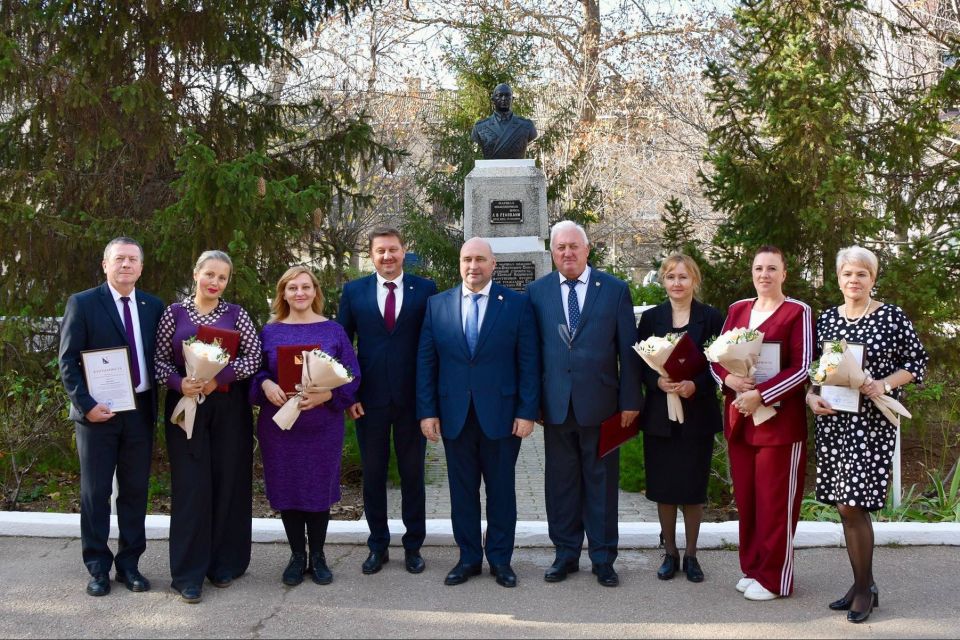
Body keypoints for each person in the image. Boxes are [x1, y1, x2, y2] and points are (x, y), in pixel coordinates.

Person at [806, 246, 927, 623]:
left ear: (872, 279)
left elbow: (916, 363)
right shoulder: (826, 319)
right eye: (847, 274)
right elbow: (815, 371)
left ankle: (864, 589)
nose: (853, 280)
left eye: (861, 274)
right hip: (834, 423)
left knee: (852, 505)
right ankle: (863, 584)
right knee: (845, 508)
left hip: (870, 426)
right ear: (838, 279)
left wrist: (884, 385)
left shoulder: (890, 317)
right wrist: (811, 397)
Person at [416, 237, 540, 588]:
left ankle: (501, 560)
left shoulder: (516, 305)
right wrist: (427, 412)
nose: (473, 266)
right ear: (460, 263)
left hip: (502, 416)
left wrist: (527, 411)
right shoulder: (436, 306)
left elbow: (528, 363)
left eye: (480, 260)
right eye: (467, 259)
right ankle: (468, 558)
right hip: (454, 416)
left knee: (501, 492)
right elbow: (426, 363)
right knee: (462, 492)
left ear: (493, 264)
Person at [526, 220, 642, 588]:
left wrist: (630, 401)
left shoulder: (614, 290)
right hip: (556, 407)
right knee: (561, 484)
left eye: (574, 246)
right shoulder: (537, 292)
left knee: (602, 484)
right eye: (560, 248)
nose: (567, 253)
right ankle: (565, 554)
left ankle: (604, 557)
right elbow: (532, 355)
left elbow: (629, 352)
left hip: (603, 406)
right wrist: (533, 405)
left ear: (587, 249)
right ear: (552, 253)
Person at [59, 237, 165, 597]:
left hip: (139, 413)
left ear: (141, 267)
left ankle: (130, 565)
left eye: (132, 260)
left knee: (135, 492)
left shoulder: (154, 306)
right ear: (105, 265)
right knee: (96, 493)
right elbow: (67, 362)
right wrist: (86, 404)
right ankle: (98, 568)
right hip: (96, 417)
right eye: (119, 259)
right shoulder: (84, 303)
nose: (126, 265)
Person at [154, 250, 262, 603]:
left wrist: (222, 377)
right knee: (191, 486)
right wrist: (177, 382)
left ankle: (223, 563)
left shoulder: (236, 315)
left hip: (227, 406)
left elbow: (254, 356)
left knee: (227, 481)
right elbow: (157, 359)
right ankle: (188, 574)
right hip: (186, 405)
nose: (215, 282)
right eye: (209, 274)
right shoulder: (175, 313)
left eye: (222, 277)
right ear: (196, 273)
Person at [710, 245, 812, 602]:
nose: (764, 275)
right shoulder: (738, 309)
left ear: (784, 273)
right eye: (758, 268)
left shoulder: (798, 311)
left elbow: (803, 368)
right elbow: (716, 357)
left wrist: (762, 395)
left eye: (772, 268)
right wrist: (729, 381)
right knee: (749, 501)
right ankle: (752, 567)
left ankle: (774, 578)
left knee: (774, 503)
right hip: (740, 419)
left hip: (779, 425)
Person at [251, 266, 361, 587]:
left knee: (317, 490)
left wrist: (329, 394)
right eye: (292, 288)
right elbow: (255, 372)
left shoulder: (333, 331)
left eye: (305, 287)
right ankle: (298, 556)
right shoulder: (269, 332)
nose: (299, 293)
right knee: (289, 488)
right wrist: (266, 383)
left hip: (321, 425)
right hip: (281, 427)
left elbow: (352, 374)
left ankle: (320, 557)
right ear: (283, 293)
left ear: (315, 291)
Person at [337, 227, 437, 575]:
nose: (387, 256)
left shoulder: (425, 291)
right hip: (369, 401)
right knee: (374, 475)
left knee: (412, 476)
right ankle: (377, 545)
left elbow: (431, 348)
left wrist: (430, 404)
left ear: (404, 250)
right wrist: (348, 395)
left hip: (412, 401)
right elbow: (342, 348)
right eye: (380, 251)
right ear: (371, 254)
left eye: (393, 249)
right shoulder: (354, 291)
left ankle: (413, 547)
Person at [635, 253, 723, 583]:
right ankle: (670, 552)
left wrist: (694, 385)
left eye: (683, 277)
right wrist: (656, 381)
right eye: (671, 277)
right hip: (660, 415)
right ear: (663, 281)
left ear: (694, 281)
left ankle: (692, 555)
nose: (677, 283)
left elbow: (720, 364)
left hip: (696, 413)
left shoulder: (711, 318)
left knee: (692, 486)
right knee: (664, 486)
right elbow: (640, 364)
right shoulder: (651, 318)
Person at [470, 83, 538, 159]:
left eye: (507, 95)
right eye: (500, 95)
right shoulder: (480, 127)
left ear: (512, 99)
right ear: (493, 99)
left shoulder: (526, 125)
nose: (503, 98)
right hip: (491, 169)